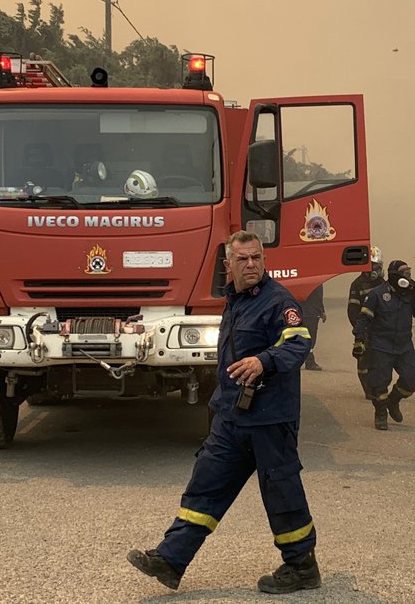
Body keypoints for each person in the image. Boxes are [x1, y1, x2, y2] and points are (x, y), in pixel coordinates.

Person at [127, 230, 320, 594]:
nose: (251, 264)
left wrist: (264, 361)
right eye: (242, 259)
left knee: (282, 492)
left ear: (264, 261)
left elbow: (298, 343)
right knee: (205, 486)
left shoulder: (278, 301)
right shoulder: (236, 300)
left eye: (256, 258)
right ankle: (170, 560)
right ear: (228, 265)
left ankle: (302, 566)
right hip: (232, 418)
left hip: (270, 420)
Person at [352, 259, 415, 430]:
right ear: (395, 276)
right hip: (381, 345)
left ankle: (393, 401)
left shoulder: (410, 293)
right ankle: (380, 413)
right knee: (379, 382)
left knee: (413, 376)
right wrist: (359, 340)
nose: (408, 277)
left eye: (409, 273)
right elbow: (363, 318)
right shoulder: (377, 294)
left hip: (404, 346)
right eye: (405, 274)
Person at [346, 246, 385, 399]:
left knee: (381, 361)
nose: (377, 269)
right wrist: (360, 332)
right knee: (363, 359)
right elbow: (353, 312)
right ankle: (368, 389)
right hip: (365, 329)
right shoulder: (357, 285)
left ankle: (379, 387)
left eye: (378, 266)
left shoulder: (384, 284)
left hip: (382, 329)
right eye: (374, 266)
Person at [301, 284, 326, 371]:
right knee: (309, 339)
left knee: (310, 338)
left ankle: (308, 361)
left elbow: (319, 298)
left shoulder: (318, 282)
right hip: (307, 312)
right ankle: (309, 362)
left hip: (312, 312)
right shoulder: (312, 280)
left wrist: (322, 311)